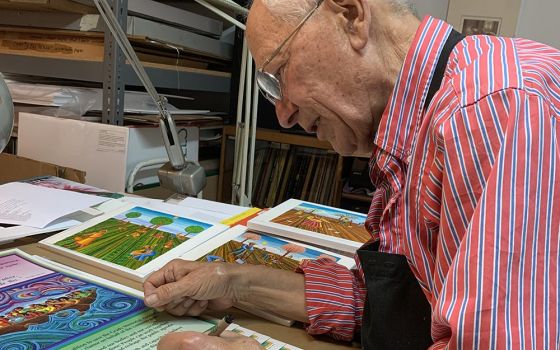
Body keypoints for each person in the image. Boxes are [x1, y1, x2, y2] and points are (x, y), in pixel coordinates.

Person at [143, 0, 560, 348]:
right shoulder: (414, 126)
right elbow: (386, 304)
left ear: (351, 15)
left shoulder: (494, 108)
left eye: (280, 74)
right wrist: (231, 282)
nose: (284, 114)